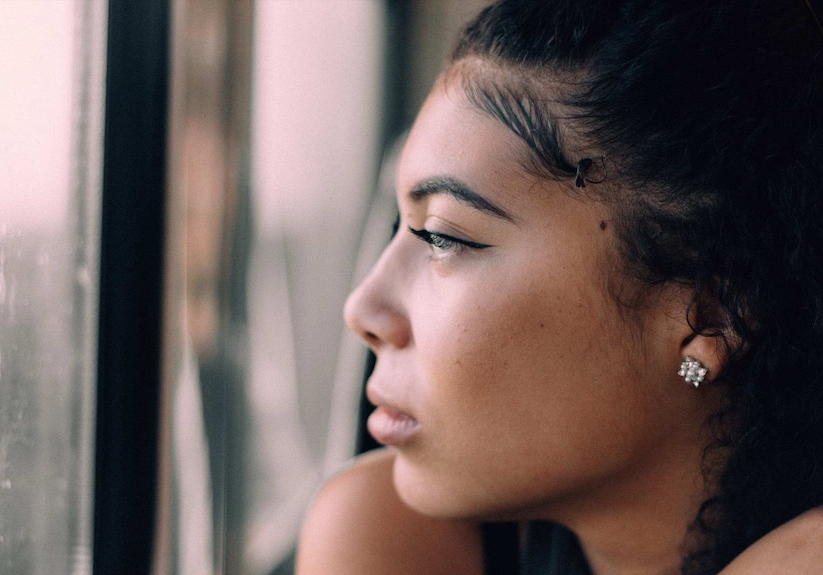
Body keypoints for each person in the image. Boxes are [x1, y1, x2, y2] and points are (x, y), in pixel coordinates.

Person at [296, 0, 823, 573]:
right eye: (403, 228)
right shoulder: (389, 541)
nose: (362, 308)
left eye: (443, 237)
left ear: (712, 314)